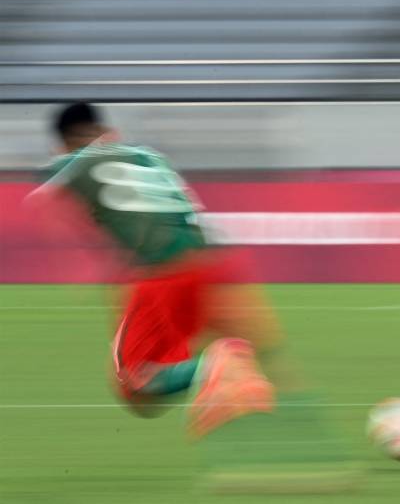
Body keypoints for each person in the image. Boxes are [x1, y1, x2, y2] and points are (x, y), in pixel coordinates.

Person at [27, 102, 352, 491]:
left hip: (164, 274)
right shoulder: (146, 153)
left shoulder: (73, 160)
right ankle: (319, 461)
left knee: (136, 384)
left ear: (65, 140)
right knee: (268, 361)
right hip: (216, 264)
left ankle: (210, 367)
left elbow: (46, 188)